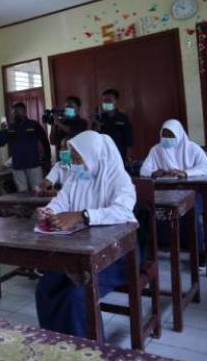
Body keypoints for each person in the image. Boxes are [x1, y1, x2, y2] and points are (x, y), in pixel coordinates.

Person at [34, 131, 137, 338]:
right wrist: (48, 211)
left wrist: (82, 215)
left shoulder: (118, 178)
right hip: (80, 252)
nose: (74, 165)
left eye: (78, 159)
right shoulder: (76, 178)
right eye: (72, 159)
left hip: (115, 254)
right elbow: (61, 202)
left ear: (93, 156)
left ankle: (86, 348)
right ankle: (56, 342)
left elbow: (123, 212)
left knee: (76, 295)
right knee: (45, 288)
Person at [140, 119, 207, 269]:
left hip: (191, 192)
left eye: (170, 135)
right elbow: (144, 170)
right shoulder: (156, 150)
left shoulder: (191, 148)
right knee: (149, 212)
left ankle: (199, 254)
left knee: (190, 214)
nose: (166, 138)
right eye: (164, 135)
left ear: (179, 134)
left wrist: (186, 173)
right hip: (165, 193)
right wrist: (155, 172)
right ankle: (160, 247)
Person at [0, 102, 51, 192]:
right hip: (18, 166)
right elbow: (1, 143)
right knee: (22, 193)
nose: (16, 114)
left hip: (33, 165)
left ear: (25, 111)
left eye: (18, 111)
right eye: (14, 112)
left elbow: (45, 142)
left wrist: (47, 159)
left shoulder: (34, 125)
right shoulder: (9, 127)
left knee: (38, 191)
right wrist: (2, 131)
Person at [92, 89, 134, 163]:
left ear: (116, 101)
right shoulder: (99, 118)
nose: (106, 103)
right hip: (103, 155)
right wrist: (97, 120)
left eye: (109, 100)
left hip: (119, 155)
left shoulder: (123, 118)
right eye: (104, 100)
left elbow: (129, 140)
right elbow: (94, 137)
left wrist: (128, 157)